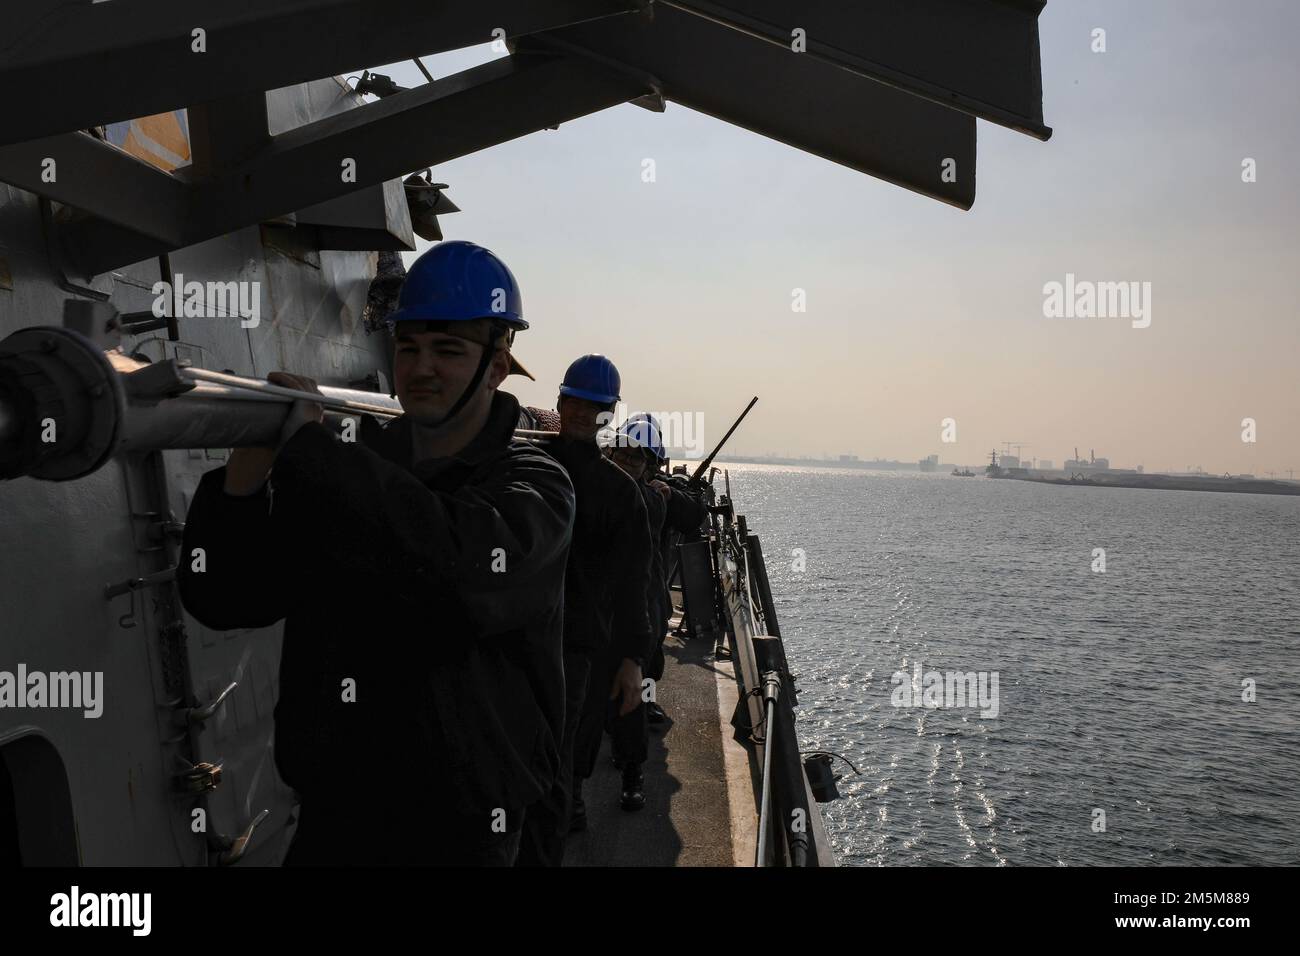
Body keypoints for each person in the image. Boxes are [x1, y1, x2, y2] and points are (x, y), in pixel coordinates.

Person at [177, 240, 575, 866]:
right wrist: (242, 482)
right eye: (409, 347)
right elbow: (227, 597)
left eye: (448, 350)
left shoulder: (533, 487)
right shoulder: (355, 473)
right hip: (341, 808)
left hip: (462, 827)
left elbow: (455, 568)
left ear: (497, 366)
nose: (421, 367)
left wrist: (312, 451)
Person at [526, 354, 656, 853]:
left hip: (577, 646)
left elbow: (634, 585)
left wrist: (631, 660)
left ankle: (558, 821)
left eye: (595, 407)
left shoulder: (622, 494)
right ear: (561, 403)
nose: (582, 414)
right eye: (575, 403)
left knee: (562, 756)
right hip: (513, 637)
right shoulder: (526, 461)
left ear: (609, 416)